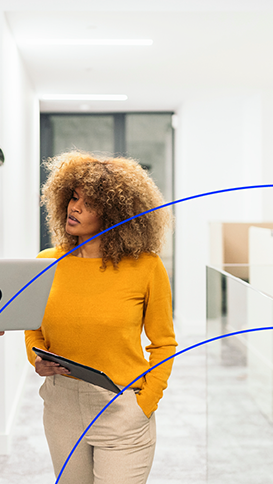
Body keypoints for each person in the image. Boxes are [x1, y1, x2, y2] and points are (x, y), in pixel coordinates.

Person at [25, 151, 178, 484]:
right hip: (61, 404)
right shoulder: (46, 262)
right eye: (74, 197)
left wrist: (144, 404)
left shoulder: (146, 266)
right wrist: (36, 359)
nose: (74, 207)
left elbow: (164, 343)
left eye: (89, 203)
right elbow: (33, 325)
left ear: (114, 213)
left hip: (121, 406)